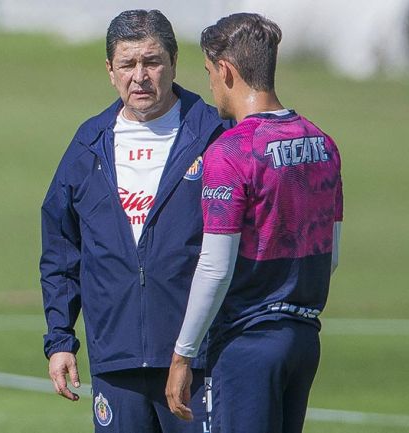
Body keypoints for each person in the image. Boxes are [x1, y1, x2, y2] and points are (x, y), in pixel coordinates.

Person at [40, 9, 231, 433]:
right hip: (116, 358)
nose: (140, 76)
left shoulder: (216, 135)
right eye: (128, 64)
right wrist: (59, 339)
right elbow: (60, 250)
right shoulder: (88, 145)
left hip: (198, 357)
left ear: (173, 62)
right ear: (110, 71)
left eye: (151, 62)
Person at [165, 13, 343, 433]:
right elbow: (330, 255)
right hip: (303, 339)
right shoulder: (322, 142)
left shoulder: (232, 152)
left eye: (209, 73)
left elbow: (215, 267)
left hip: (249, 344)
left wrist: (182, 356)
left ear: (225, 71)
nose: (210, 84)